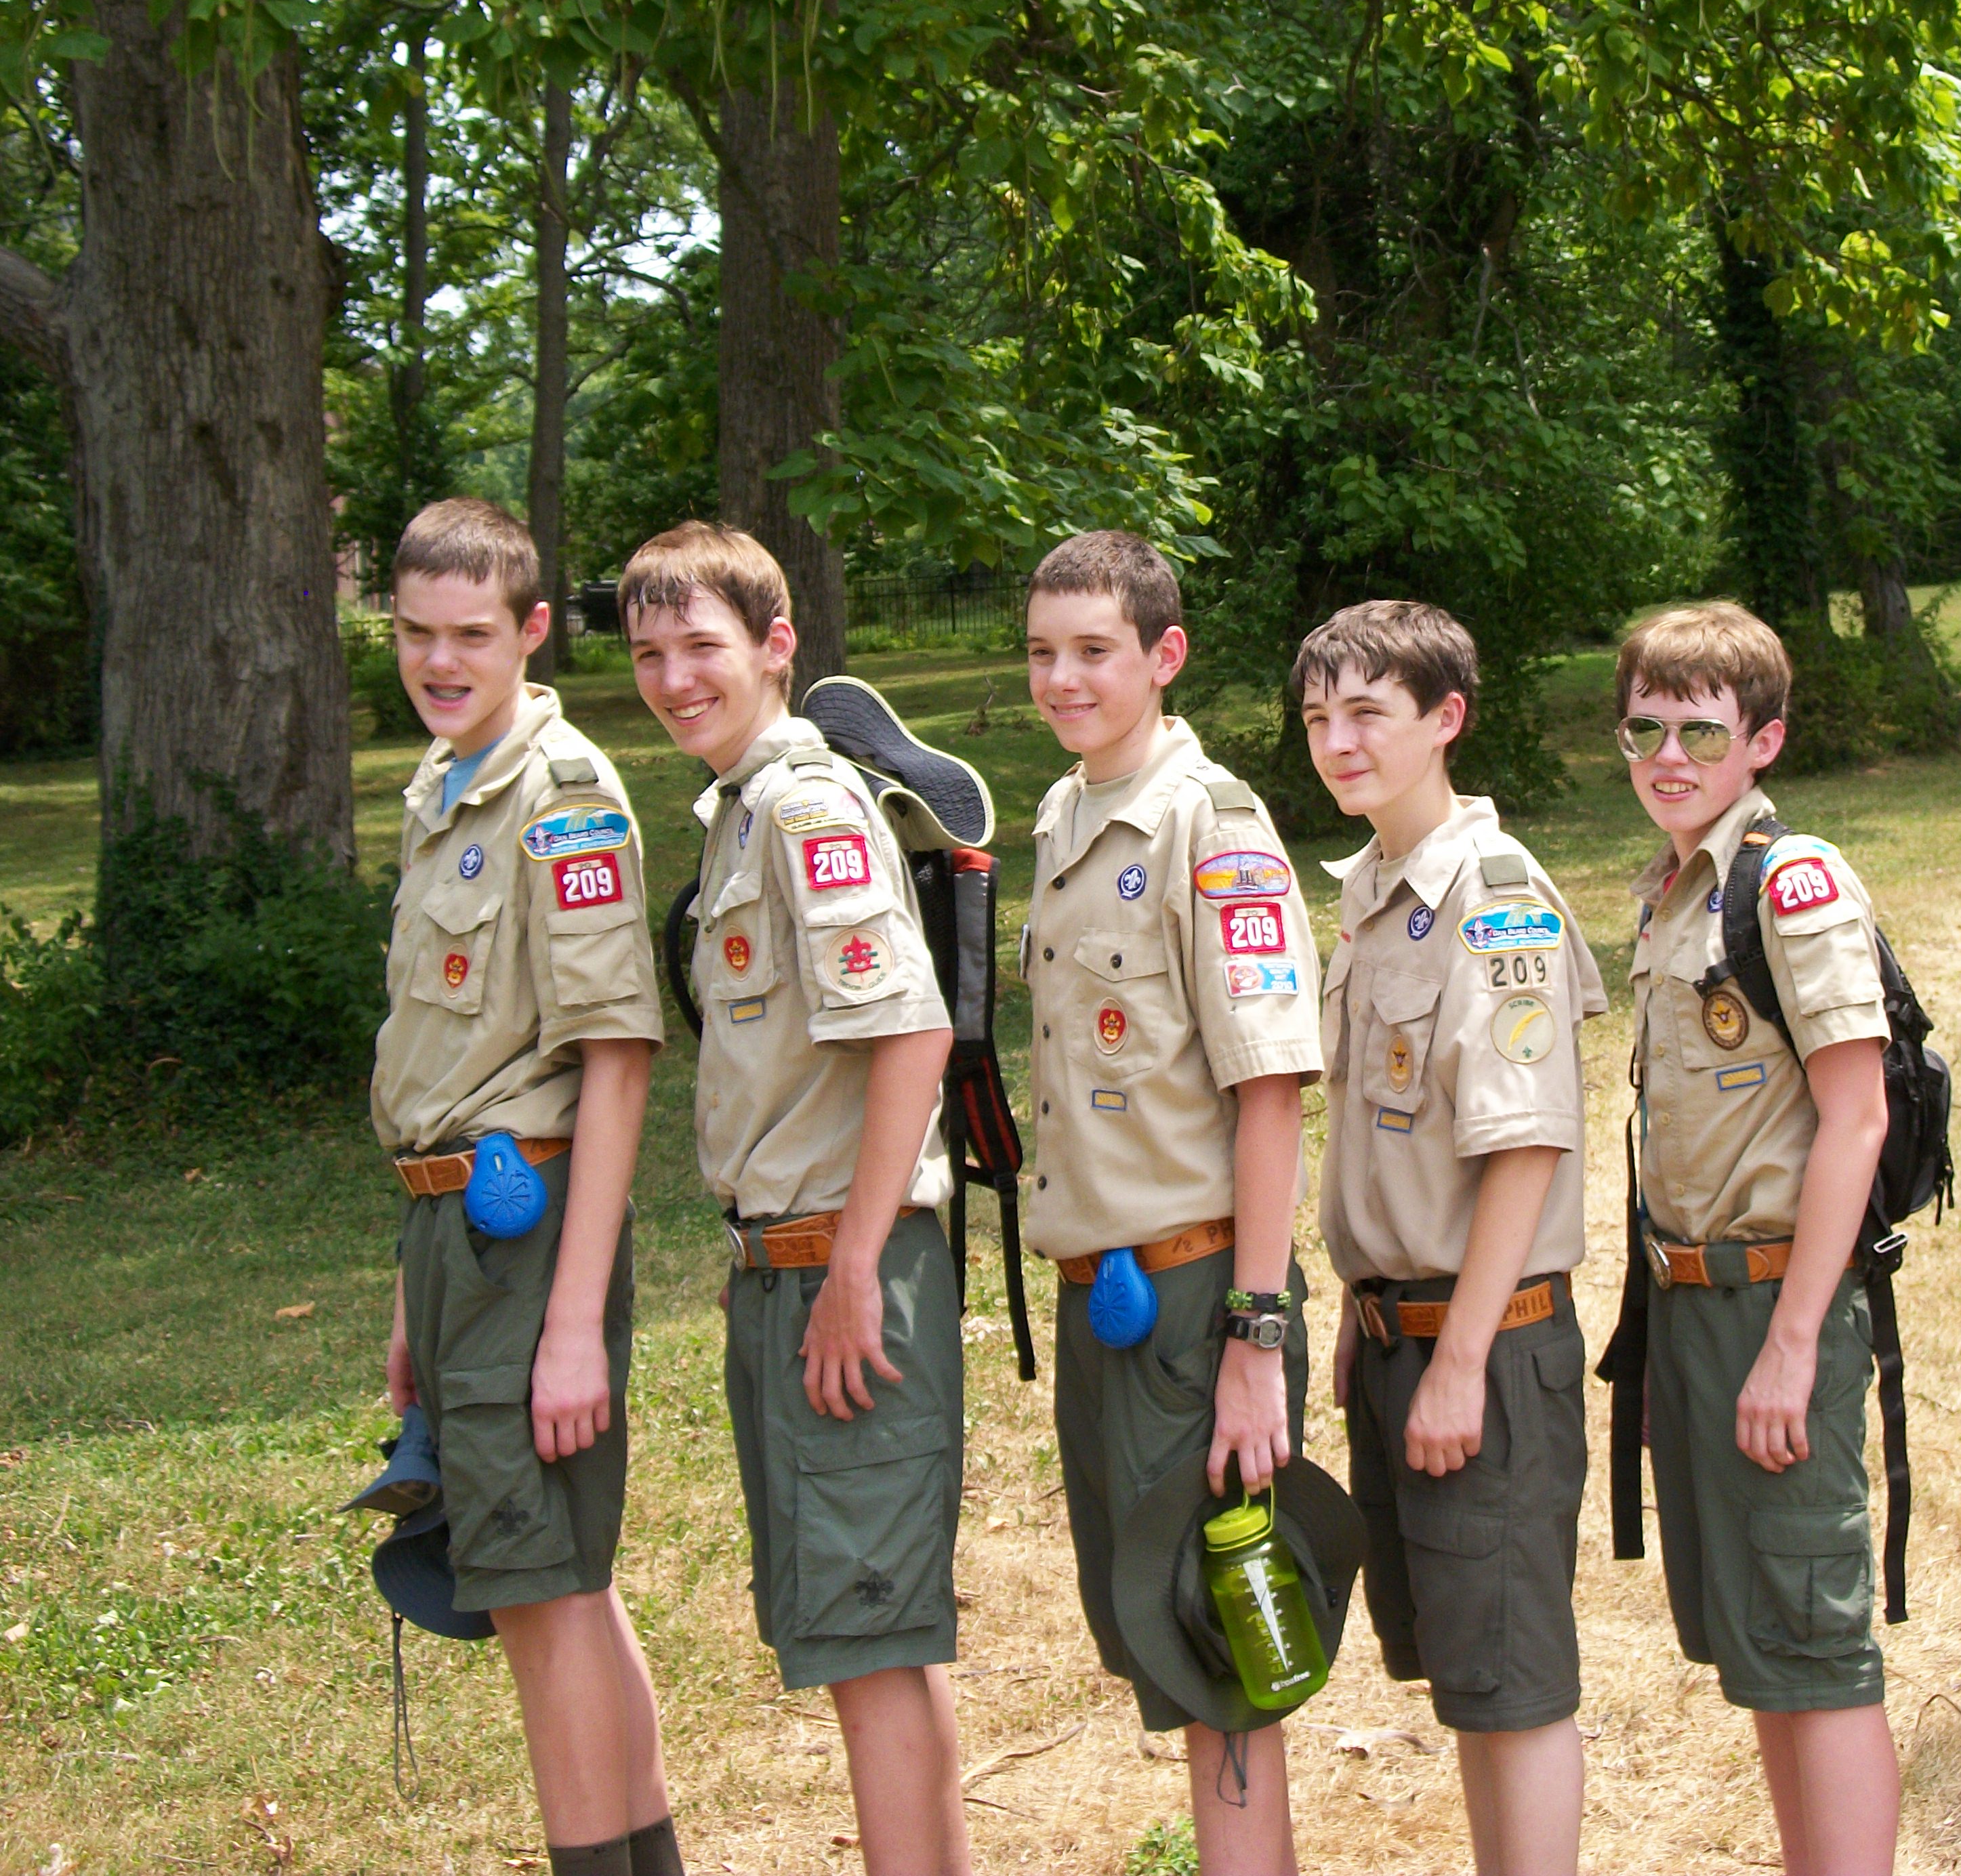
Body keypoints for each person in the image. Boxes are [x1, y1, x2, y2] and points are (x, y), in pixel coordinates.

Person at [620, 523, 972, 1876]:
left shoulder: (807, 811)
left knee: (869, 1643)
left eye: (701, 646)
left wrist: (849, 1268)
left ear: (777, 646)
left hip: (846, 1270)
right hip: (794, 1265)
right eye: (650, 653)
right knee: (863, 1639)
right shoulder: (740, 812)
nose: (674, 678)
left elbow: (912, 1037)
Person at [370, 498, 684, 1876]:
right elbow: (442, 1065)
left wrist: (569, 1324)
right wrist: (411, 1292)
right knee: (555, 1587)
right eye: (416, 634)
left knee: (535, 1592)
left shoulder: (562, 793)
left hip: (527, 1234)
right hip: (452, 1231)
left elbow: (616, 1057)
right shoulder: (446, 785)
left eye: (471, 635)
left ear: (533, 630)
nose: (441, 662)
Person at [1020, 530, 1328, 1876]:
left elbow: (1271, 1092)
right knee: (1162, 1635)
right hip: (1104, 1298)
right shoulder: (1064, 814)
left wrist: (1255, 1338)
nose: (1063, 679)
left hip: (1199, 1296)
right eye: (1043, 652)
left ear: (1165, 656)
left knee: (1221, 1654)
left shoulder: (1213, 823)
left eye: (1095, 651)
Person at [1296, 602, 1605, 1876]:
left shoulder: (1496, 896)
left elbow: (1527, 1147)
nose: (1340, 741)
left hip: (1481, 1345)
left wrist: (1463, 1360)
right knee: (1466, 1678)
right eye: (1320, 717)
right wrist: (1362, 1313)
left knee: (1513, 1682)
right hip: (1401, 1335)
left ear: (1446, 719)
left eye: (1370, 712)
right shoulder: (1375, 891)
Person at [1616, 602, 1900, 1876]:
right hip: (1696, 1305)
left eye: (1699, 731)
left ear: (1764, 741)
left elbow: (1857, 1117)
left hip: (1782, 1301)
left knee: (1816, 1642)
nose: (1668, 757)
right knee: (1766, 1651)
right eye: (1645, 731)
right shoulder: (1676, 891)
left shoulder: (1792, 882)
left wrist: (1791, 1347)